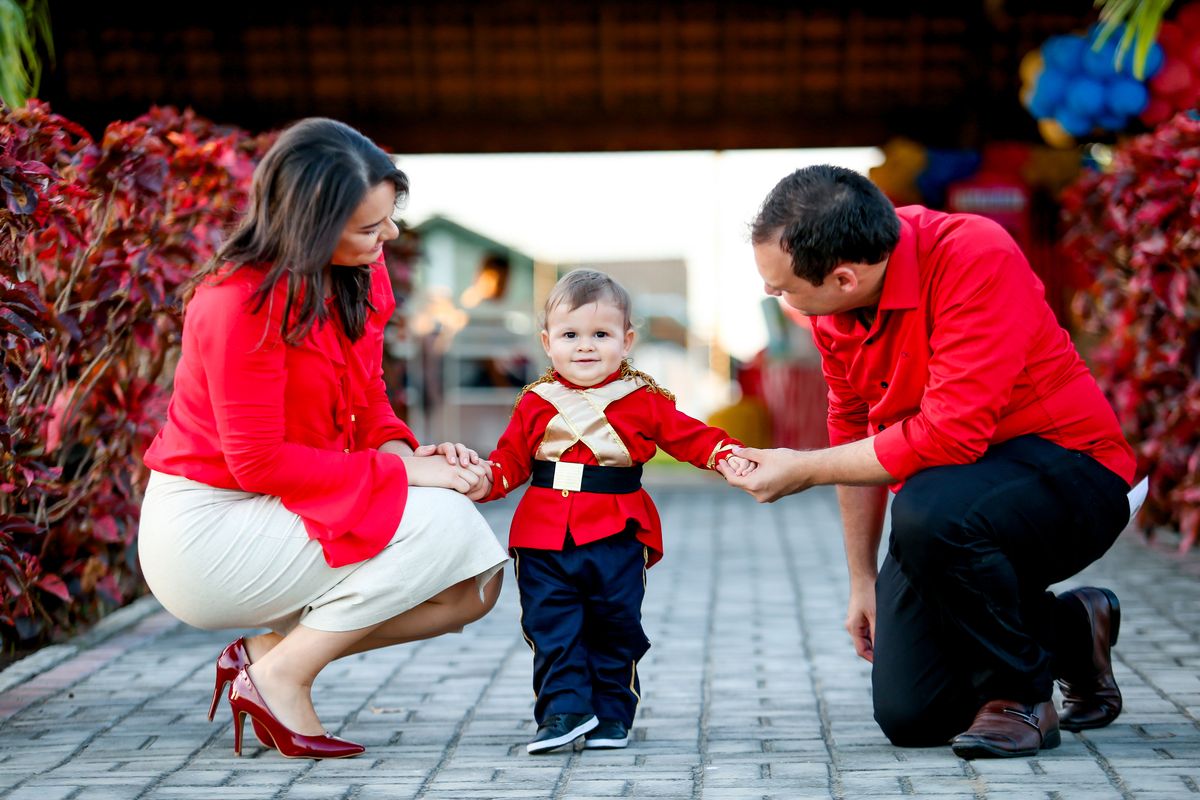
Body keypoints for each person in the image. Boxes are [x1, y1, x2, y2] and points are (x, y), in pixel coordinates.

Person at [718, 165, 1138, 760]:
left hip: (1073, 473)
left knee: (929, 508)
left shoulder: (975, 254)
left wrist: (803, 468)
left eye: (780, 287)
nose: (773, 296)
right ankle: (1072, 631)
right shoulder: (834, 311)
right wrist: (861, 578)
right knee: (913, 716)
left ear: (843, 278)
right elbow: (853, 428)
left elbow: (949, 436)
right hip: (953, 502)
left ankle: (1021, 698)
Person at [138, 118, 508, 760]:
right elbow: (254, 462)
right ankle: (282, 678)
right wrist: (408, 481)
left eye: (390, 219)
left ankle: (265, 659)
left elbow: (367, 397)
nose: (389, 236)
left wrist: (404, 455)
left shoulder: (359, 273)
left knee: (473, 584)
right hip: (206, 527)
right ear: (308, 227)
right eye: (370, 227)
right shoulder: (235, 305)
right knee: (447, 526)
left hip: (285, 500)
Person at [479, 269, 753, 753]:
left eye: (600, 335)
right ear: (547, 342)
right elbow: (511, 460)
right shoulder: (535, 402)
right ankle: (563, 712)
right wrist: (479, 479)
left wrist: (725, 454)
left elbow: (691, 436)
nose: (585, 347)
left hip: (616, 532)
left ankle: (611, 713)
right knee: (550, 627)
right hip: (542, 537)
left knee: (614, 627)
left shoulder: (643, 400)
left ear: (626, 341)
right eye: (570, 335)